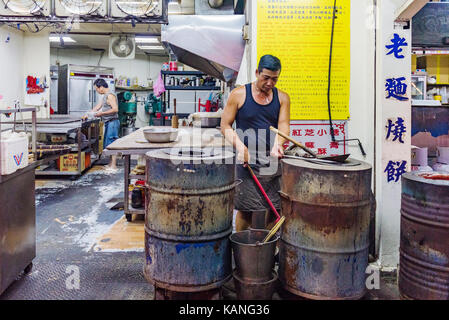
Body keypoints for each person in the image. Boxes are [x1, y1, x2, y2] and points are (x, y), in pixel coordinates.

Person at [221, 54, 291, 232]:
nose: (270, 83)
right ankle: (242, 247)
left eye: (274, 79)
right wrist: (240, 146)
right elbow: (225, 126)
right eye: (266, 78)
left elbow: (283, 125)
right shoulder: (238, 95)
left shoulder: (282, 98)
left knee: (272, 207)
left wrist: (279, 144)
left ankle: (267, 247)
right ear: (257, 72)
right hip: (247, 160)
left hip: (271, 160)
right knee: (246, 209)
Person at [90, 78, 120, 170]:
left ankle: (113, 165)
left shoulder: (110, 96)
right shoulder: (104, 96)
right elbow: (98, 107)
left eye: (97, 89)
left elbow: (115, 109)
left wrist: (101, 113)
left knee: (112, 143)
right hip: (108, 122)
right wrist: (89, 113)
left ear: (101, 87)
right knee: (108, 144)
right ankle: (110, 164)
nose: (97, 91)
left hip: (113, 122)